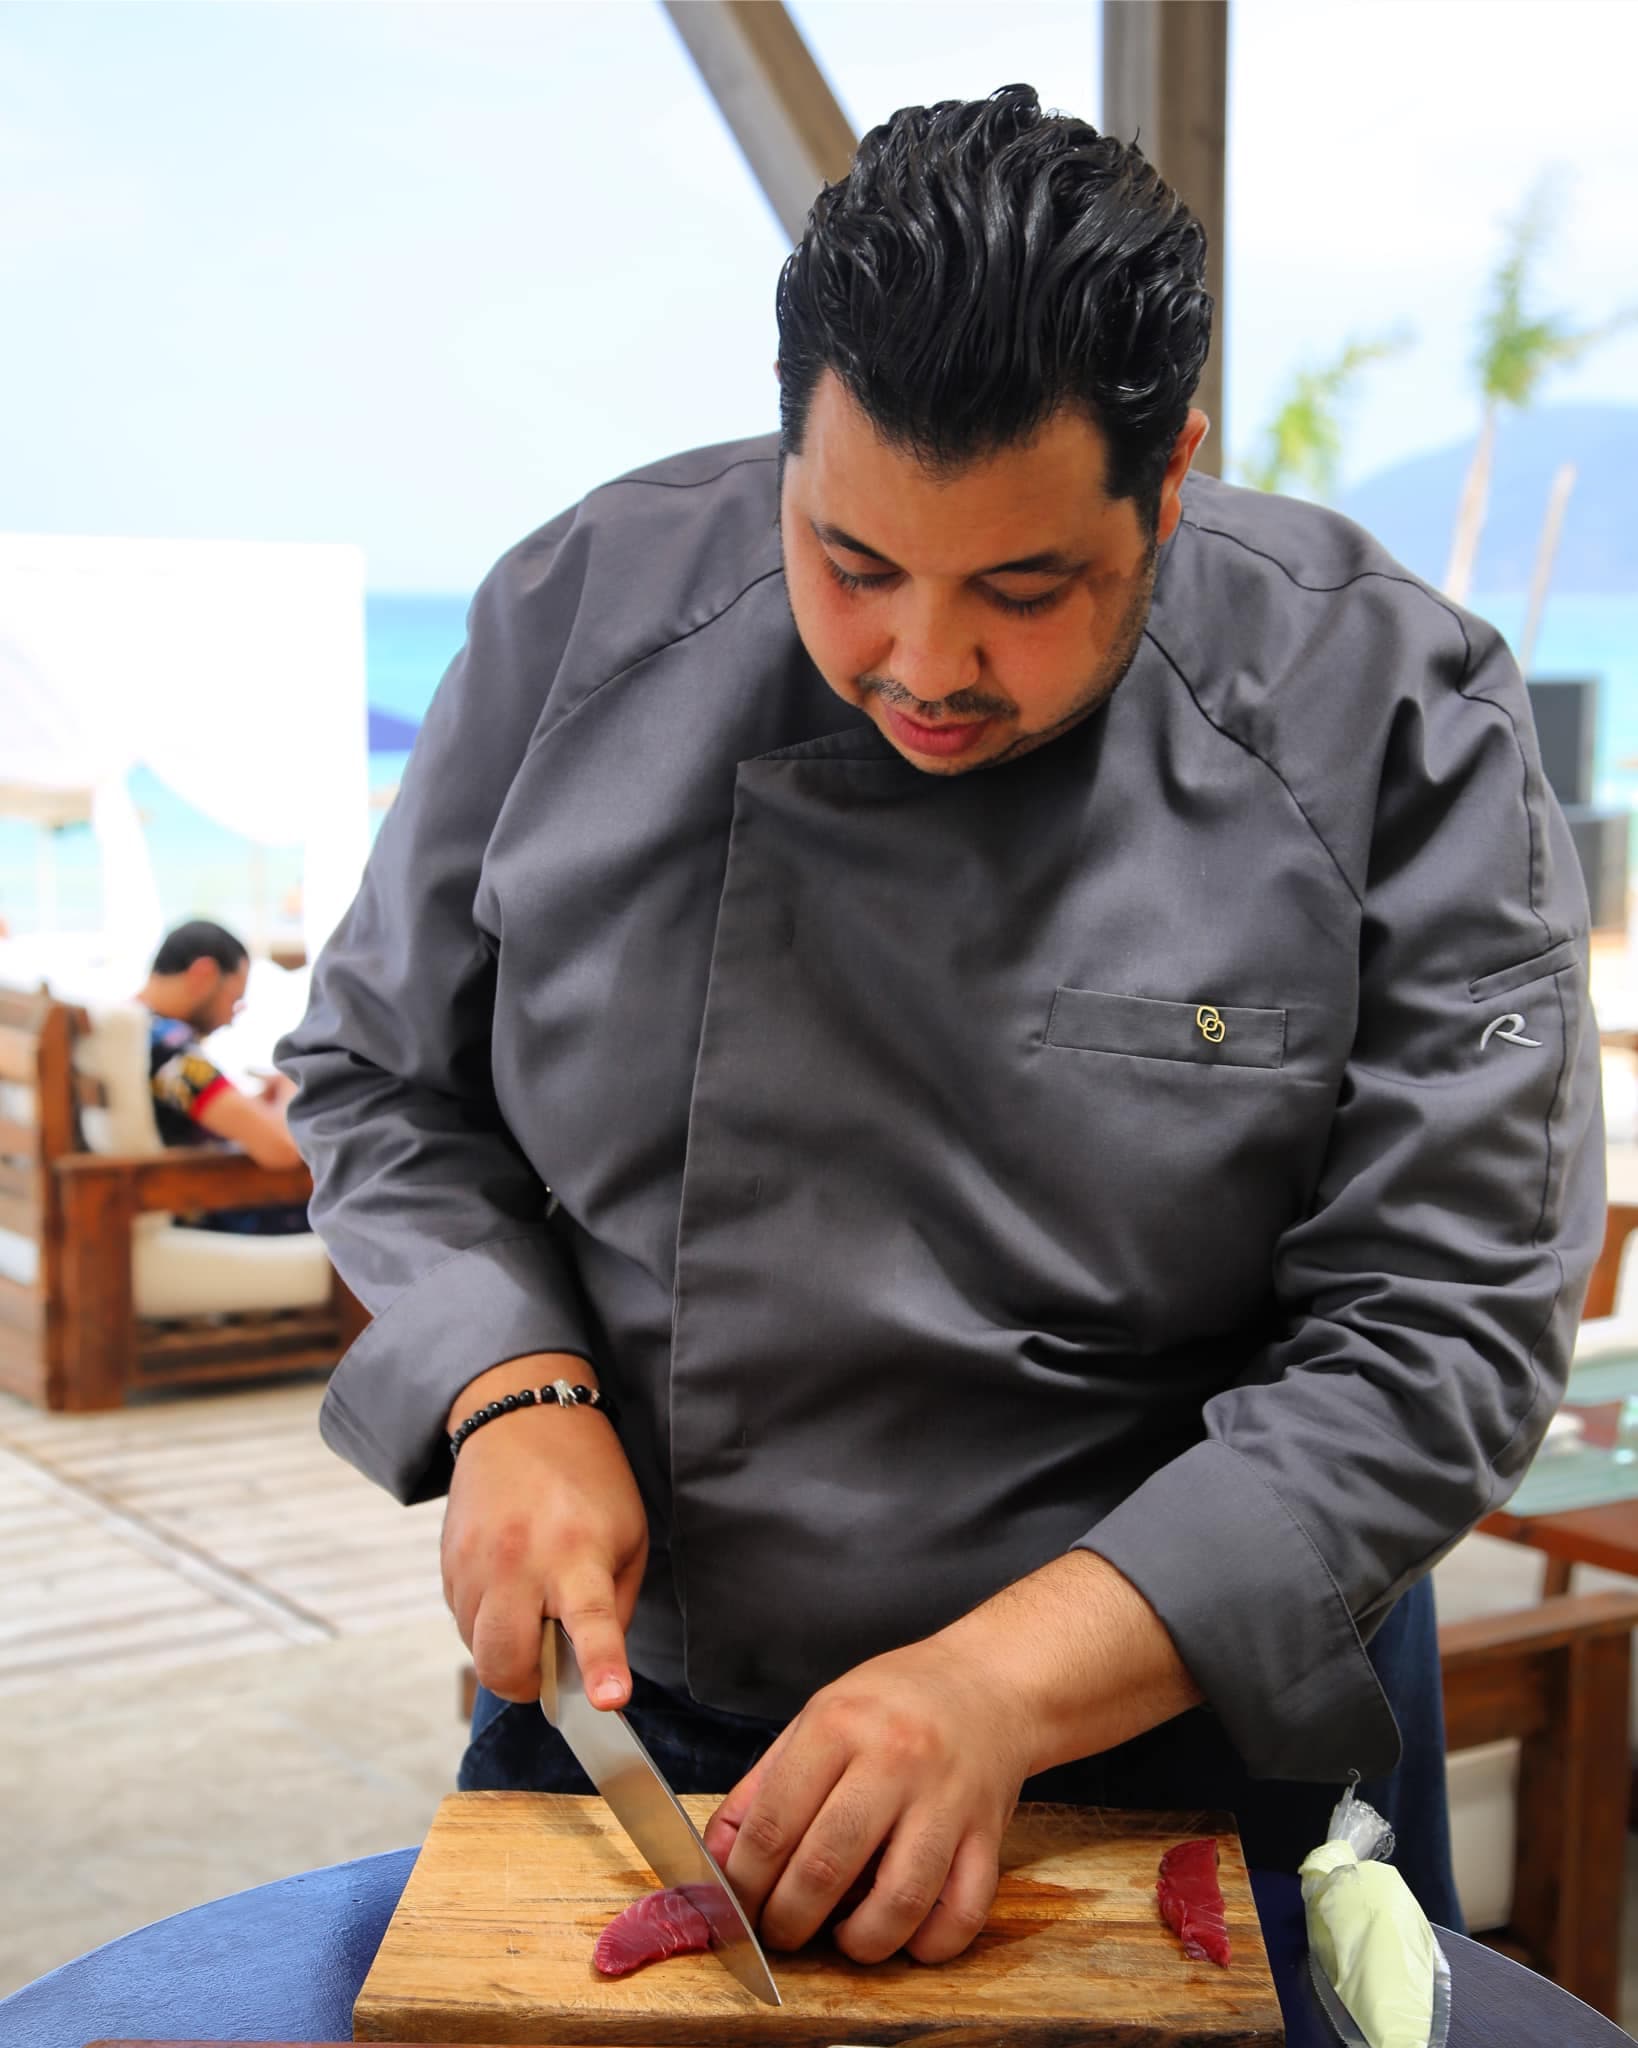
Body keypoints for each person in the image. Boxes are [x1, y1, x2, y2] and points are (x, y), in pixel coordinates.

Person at [278, 88, 1603, 1959]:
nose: (920, 662)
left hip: (1169, 1743)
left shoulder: (1393, 718)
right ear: (786, 445)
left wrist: (994, 1680)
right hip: (634, 1715)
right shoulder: (579, 620)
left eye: (1023, 587)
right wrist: (510, 1379)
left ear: (1171, 476)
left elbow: (1441, 1324)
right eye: (850, 559)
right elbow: (378, 1076)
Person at [142, 920, 309, 1234]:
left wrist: (261, 1107)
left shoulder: (136, 1032)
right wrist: (291, 1086)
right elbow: (282, 1150)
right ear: (204, 974)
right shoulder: (169, 1050)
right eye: (234, 999)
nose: (233, 1017)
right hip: (211, 1211)